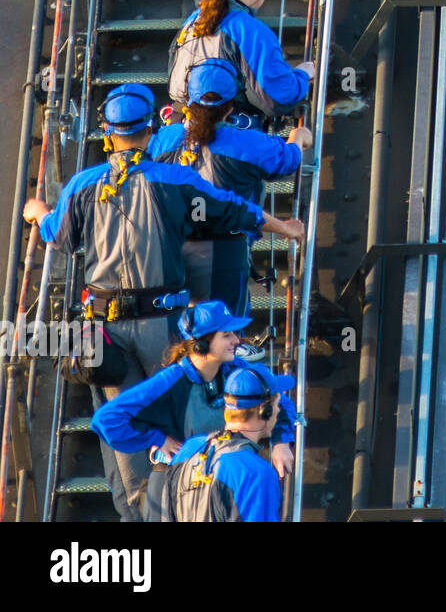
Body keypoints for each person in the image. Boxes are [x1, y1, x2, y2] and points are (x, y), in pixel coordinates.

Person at [22, 84, 305, 520]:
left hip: (103, 334)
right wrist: (283, 227)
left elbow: (55, 235)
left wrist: (37, 210)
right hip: (164, 327)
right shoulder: (173, 180)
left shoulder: (83, 185)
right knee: (174, 420)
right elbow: (232, 210)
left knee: (124, 435)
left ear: (107, 133)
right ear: (151, 128)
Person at [91, 301, 297, 522]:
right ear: (202, 344)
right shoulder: (171, 379)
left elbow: (279, 399)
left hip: (217, 473)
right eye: (227, 335)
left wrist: (281, 442)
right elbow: (106, 419)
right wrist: (157, 438)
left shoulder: (236, 368)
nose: (237, 341)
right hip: (174, 479)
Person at [152, 56, 311, 319]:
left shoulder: (163, 140)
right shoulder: (246, 143)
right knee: (225, 329)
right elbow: (288, 160)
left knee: (181, 332)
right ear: (230, 106)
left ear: (189, 102)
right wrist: (299, 137)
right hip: (223, 254)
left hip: (169, 250)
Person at [168, 0, 316, 125]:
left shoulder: (192, 21)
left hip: (181, 130)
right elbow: (278, 99)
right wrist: (303, 74)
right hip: (229, 138)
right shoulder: (249, 30)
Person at [162, 362, 296, 521]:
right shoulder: (257, 474)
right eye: (276, 404)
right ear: (264, 411)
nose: (279, 410)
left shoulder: (188, 449)